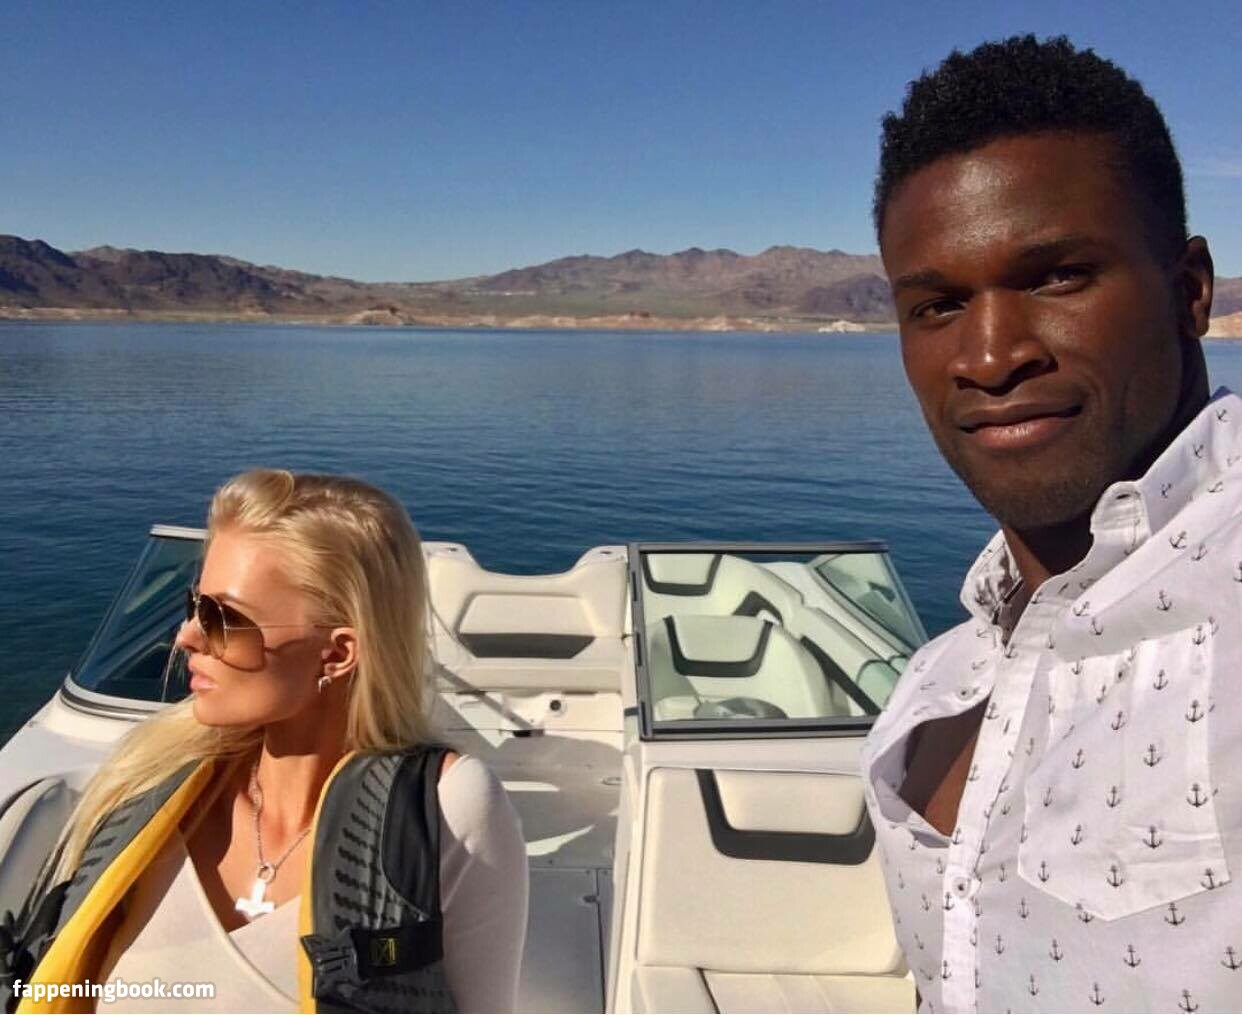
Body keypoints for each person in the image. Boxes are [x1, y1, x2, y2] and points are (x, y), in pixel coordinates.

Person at [860, 35, 1236, 1013]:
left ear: (1190, 290)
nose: (989, 357)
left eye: (1057, 277)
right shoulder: (936, 681)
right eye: (937, 305)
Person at [8, 469, 527, 1013]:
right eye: (193, 606)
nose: (184, 636)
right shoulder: (146, 783)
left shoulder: (444, 808)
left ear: (337, 654)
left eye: (221, 618)